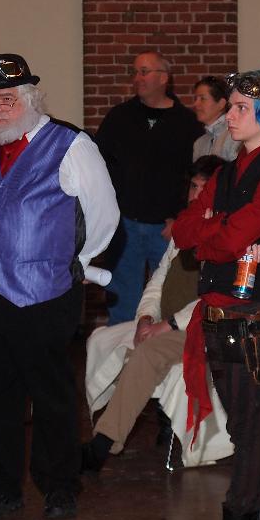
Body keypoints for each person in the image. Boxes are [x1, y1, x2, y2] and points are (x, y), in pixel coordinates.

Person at [0, 53, 118, 520]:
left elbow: (104, 213)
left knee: (51, 394)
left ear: (30, 99)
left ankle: (59, 485)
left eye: (7, 99)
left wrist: (78, 263)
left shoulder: (70, 144)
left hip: (44, 292)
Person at [170, 69, 260, 520]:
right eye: (230, 106)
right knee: (245, 431)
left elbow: (225, 240)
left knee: (247, 431)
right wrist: (214, 229)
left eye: (241, 108)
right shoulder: (225, 173)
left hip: (252, 318)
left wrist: (212, 228)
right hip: (219, 315)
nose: (230, 115)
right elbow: (184, 232)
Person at [81, 155, 228, 470]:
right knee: (100, 339)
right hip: (165, 322)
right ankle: (132, 413)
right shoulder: (185, 228)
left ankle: (103, 444)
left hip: (201, 327)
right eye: (193, 187)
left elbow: (214, 296)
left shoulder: (224, 232)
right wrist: (146, 317)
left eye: (203, 188)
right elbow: (159, 279)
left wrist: (168, 325)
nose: (195, 195)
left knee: (148, 351)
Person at [95, 51, 203, 325]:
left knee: (168, 298)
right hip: (124, 226)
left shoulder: (186, 123)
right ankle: (121, 350)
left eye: (144, 71)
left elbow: (194, 178)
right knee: (122, 302)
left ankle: (161, 350)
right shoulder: (119, 117)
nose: (137, 78)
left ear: (164, 78)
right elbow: (99, 166)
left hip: (166, 228)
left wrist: (179, 218)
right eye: (135, 72)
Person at [191, 76, 240, 162]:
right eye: (195, 99)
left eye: (202, 99)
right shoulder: (199, 143)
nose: (195, 104)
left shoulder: (235, 137)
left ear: (221, 103)